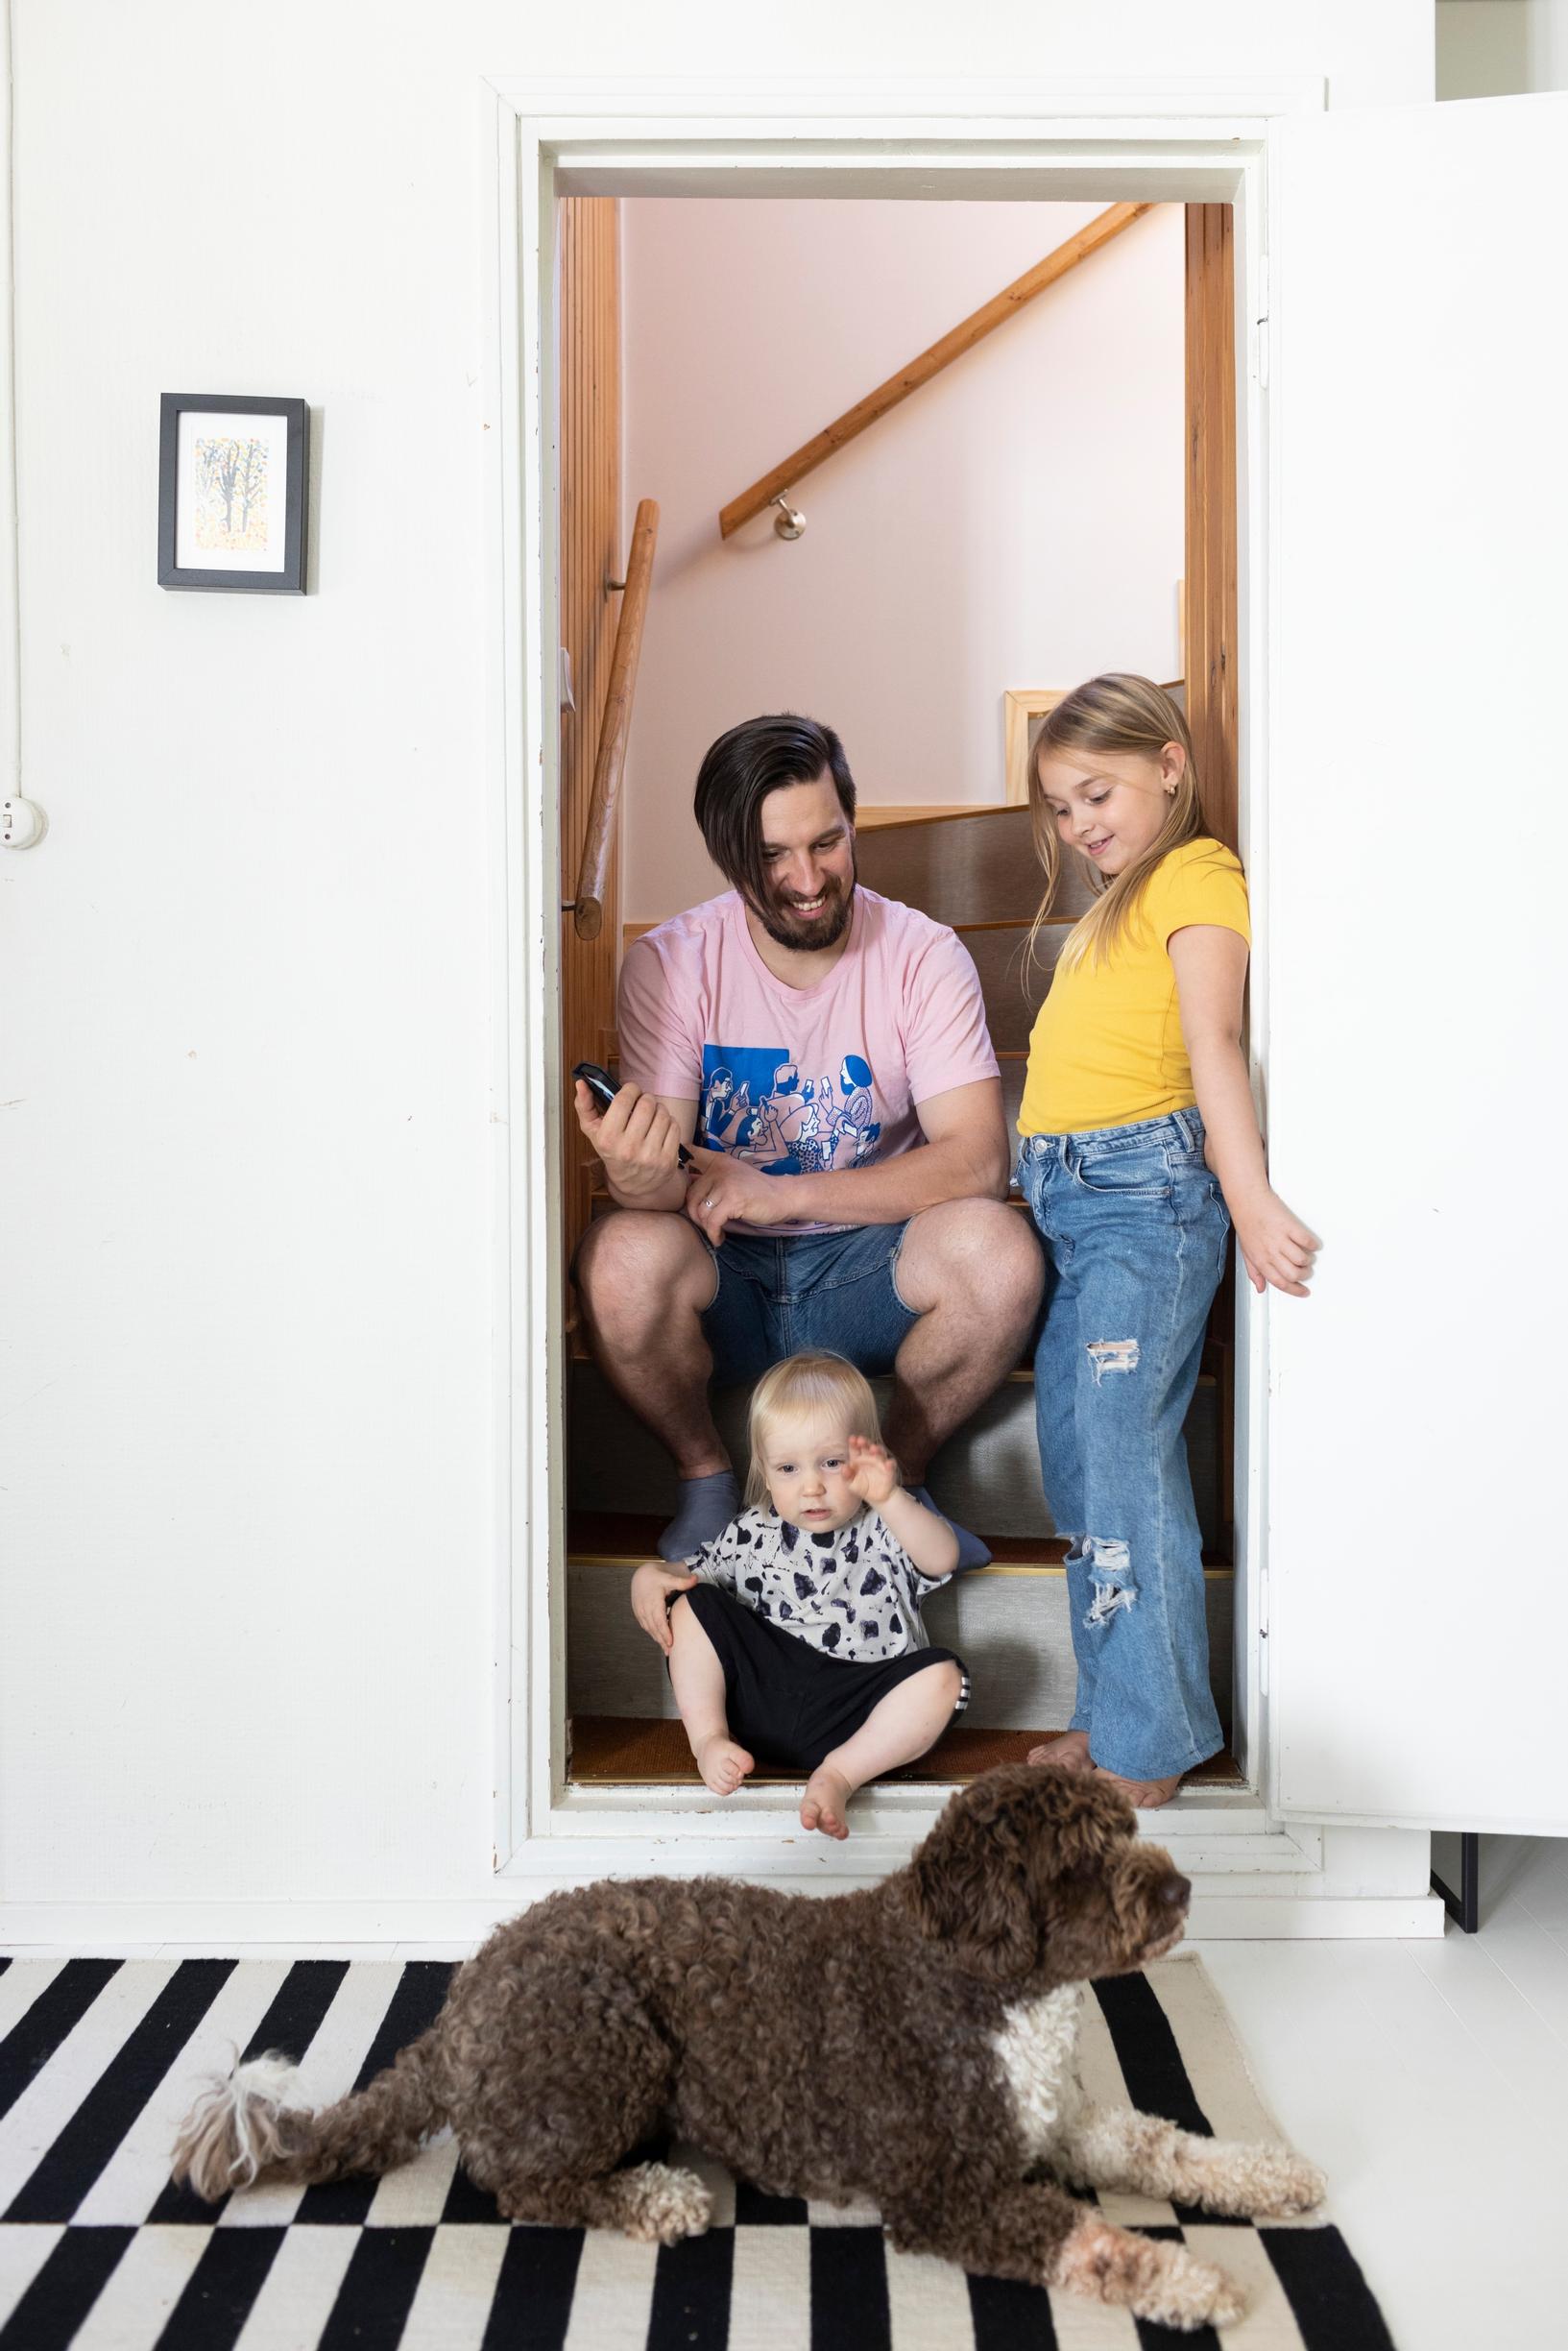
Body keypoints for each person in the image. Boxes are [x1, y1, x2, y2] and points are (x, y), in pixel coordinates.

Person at [571, 712, 1043, 1565]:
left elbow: (977, 1162)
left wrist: (784, 1194)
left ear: (851, 820)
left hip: (871, 1267)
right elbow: (657, 1191)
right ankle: (707, 1479)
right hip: (727, 1278)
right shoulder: (669, 961)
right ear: (727, 858)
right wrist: (631, 1167)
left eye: (826, 843)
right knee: (620, 1255)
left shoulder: (922, 955)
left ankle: (895, 1482)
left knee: (1000, 1251)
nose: (806, 879)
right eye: (772, 858)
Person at [1016, 674, 1319, 1808]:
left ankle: (1155, 1738)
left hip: (1144, 1201)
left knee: (1127, 1455)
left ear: (1171, 767)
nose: (1079, 822)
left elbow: (1212, 1036)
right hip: (1073, 1210)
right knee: (1078, 1458)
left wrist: (1245, 1195)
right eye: (1058, 807)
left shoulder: (1195, 874)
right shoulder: (1111, 904)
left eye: (1096, 792)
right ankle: (1109, 1714)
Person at [629, 1350, 970, 1839]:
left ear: (867, 1459)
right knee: (693, 1605)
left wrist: (892, 1497)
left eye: (832, 1463)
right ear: (765, 1474)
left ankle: (839, 1774)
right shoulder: (753, 1529)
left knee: (946, 1678)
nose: (811, 1487)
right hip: (765, 1698)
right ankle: (709, 1740)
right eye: (788, 1469)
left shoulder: (888, 1522)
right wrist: (649, 1573)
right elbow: (689, 1576)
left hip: (858, 1709)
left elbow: (942, 1558)